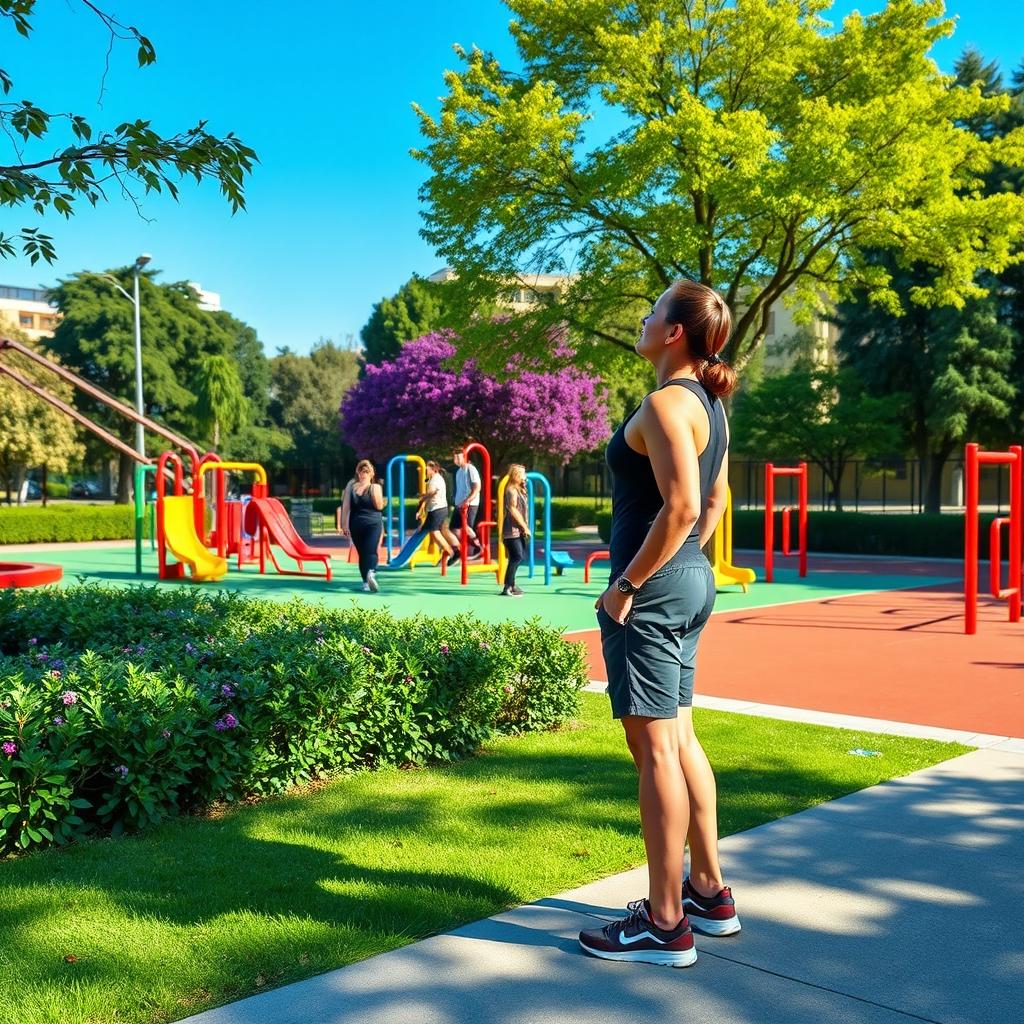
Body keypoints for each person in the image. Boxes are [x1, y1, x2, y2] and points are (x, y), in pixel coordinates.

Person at [577, 280, 740, 968]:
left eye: (651, 313)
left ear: (674, 333)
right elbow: (714, 502)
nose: (642, 320)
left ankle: (666, 923)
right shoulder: (712, 406)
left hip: (651, 591)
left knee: (655, 754)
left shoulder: (667, 402)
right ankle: (708, 892)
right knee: (683, 740)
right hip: (688, 583)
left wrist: (627, 586)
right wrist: (684, 570)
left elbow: (678, 507)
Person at [340, 459, 385, 592]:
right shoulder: (352, 486)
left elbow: (378, 506)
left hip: (371, 525)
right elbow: (346, 506)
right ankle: (367, 579)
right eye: (361, 471)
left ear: (371, 473)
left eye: (366, 471)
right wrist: (344, 525)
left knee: (369, 551)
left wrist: (344, 525)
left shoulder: (374, 487)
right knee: (363, 553)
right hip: (358, 525)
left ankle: (370, 574)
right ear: (358, 472)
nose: (363, 474)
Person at [445, 447, 483, 565]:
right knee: (453, 529)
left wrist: (467, 501)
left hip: (469, 504)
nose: (456, 459)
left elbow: (477, 487)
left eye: (458, 456)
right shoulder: (458, 471)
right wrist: (456, 501)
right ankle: (457, 551)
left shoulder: (470, 469)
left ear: (464, 457)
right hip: (459, 505)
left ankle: (478, 546)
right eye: (454, 457)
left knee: (466, 527)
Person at [500, 463, 530, 596]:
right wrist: (524, 526)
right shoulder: (511, 490)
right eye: (523, 474)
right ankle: (507, 586)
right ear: (516, 475)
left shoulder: (519, 489)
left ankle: (511, 584)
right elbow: (512, 509)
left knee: (517, 557)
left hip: (519, 530)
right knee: (517, 556)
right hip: (512, 531)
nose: (525, 476)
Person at [418, 459, 454, 563]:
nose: (425, 471)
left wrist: (423, 497)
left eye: (426, 469)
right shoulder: (434, 478)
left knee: (435, 532)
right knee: (429, 530)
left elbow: (432, 492)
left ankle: (450, 552)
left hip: (437, 509)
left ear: (433, 469)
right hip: (436, 509)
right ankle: (445, 551)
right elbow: (431, 491)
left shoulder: (436, 479)